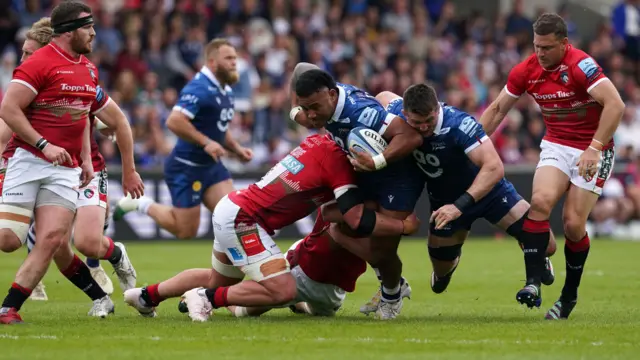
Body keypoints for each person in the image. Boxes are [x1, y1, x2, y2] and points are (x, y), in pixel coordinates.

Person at [123, 134, 419, 321]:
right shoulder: (339, 166)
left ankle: (147, 295)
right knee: (279, 290)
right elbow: (350, 219)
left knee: (219, 278)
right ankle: (205, 298)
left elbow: (331, 210)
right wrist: (403, 225)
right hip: (245, 220)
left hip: (235, 208)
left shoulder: (319, 142)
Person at [478, 13, 625, 319]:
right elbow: (496, 109)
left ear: (564, 44)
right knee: (540, 203)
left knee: (572, 224)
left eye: (546, 47)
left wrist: (594, 148)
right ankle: (532, 283)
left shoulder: (581, 66)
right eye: (536, 46)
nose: (540, 53)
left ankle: (568, 298)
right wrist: (470, 144)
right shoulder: (526, 70)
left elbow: (616, 105)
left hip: (594, 148)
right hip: (557, 144)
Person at [0, 17, 143, 302]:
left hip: (84, 169)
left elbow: (119, 122)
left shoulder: (80, 76)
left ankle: (111, 255)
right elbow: (6, 127)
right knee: (56, 244)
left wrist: (128, 170)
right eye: (23, 52)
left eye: (29, 52)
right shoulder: (28, 82)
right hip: (46, 164)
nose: (23, 58)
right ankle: (98, 298)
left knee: (87, 242)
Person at [373, 85, 557, 300]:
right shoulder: (396, 112)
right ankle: (450, 263)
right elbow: (383, 96)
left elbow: (494, 167)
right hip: (444, 199)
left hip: (489, 192)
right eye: (416, 123)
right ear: (405, 114)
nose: (423, 128)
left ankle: (536, 254)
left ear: (437, 109)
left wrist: (459, 206)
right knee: (440, 278)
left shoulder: (460, 124)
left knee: (547, 244)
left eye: (429, 121)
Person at [0, 1, 108, 324]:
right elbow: (8, 109)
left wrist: (87, 159)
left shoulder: (89, 68)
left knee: (51, 239)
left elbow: (82, 118)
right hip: (30, 160)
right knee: (8, 240)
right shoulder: (39, 63)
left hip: (67, 169)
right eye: (87, 27)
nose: (93, 33)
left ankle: (9, 308)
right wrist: (44, 145)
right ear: (70, 31)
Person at [291, 66, 422, 320]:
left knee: (382, 250)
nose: (310, 115)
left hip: (397, 180)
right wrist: (296, 110)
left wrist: (378, 162)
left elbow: (411, 136)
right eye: (305, 107)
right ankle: (391, 280)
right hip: (368, 173)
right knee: (333, 218)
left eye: (314, 107)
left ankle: (392, 295)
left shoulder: (362, 113)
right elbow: (300, 69)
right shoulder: (323, 102)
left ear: (331, 95)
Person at [114, 38, 252, 240]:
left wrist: (237, 149)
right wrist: (206, 142)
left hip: (211, 166)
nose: (234, 63)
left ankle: (232, 267)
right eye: (229, 58)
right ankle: (139, 203)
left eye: (235, 58)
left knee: (235, 218)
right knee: (186, 231)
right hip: (186, 167)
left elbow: (219, 128)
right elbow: (174, 121)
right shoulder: (199, 88)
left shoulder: (226, 90)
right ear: (212, 62)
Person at [180, 212, 367, 318]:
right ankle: (202, 294)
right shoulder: (344, 193)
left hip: (332, 289)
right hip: (301, 268)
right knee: (243, 312)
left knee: (321, 314)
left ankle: (298, 303)